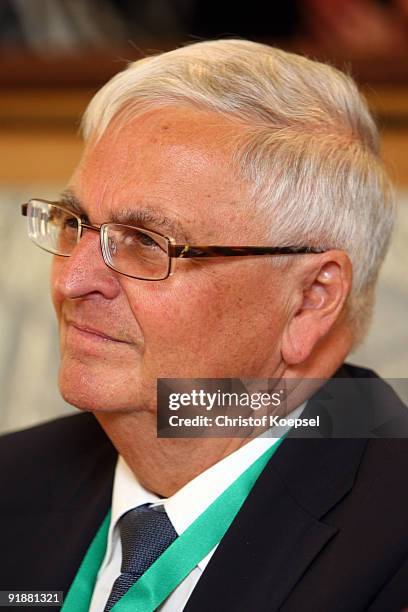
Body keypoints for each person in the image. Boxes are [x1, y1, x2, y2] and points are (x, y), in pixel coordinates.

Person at [1, 39, 407, 611]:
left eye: (146, 242)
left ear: (311, 300)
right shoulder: (13, 481)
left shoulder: (391, 544)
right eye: (74, 224)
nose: (72, 282)